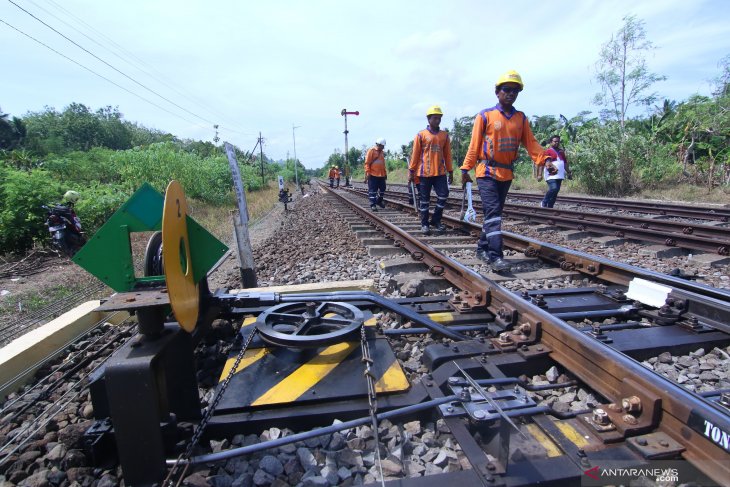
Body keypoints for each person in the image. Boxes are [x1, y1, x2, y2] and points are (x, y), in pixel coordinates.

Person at [461, 70, 547, 272]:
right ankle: (495, 256)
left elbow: (531, 144)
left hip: (506, 173)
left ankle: (482, 248)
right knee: (493, 213)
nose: (511, 93)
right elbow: (474, 146)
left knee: (495, 213)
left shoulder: (521, 118)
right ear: (497, 92)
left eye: (515, 90)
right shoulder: (485, 115)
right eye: (507, 89)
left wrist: (546, 159)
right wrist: (466, 168)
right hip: (486, 171)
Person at [408, 105, 453, 235]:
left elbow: (447, 155)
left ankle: (436, 220)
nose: (437, 120)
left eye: (439, 118)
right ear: (429, 119)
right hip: (424, 173)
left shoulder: (444, 135)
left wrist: (450, 171)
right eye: (434, 118)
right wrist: (411, 171)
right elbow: (415, 154)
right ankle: (424, 224)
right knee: (424, 200)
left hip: (440, 172)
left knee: (443, 195)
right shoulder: (421, 135)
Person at [539, 135, 571, 208]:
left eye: (558, 141)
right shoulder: (547, 151)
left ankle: (550, 206)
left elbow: (565, 163)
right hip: (550, 174)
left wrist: (569, 172)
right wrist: (540, 174)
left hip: (560, 175)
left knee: (556, 191)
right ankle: (544, 202)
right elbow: (541, 163)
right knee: (554, 188)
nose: (557, 143)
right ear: (551, 142)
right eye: (555, 141)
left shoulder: (561, 152)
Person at [364, 138, 387, 211]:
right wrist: (368, 172)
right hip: (373, 174)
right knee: (373, 191)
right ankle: (373, 205)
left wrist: (385, 173)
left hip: (381, 174)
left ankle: (379, 201)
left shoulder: (382, 152)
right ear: (378, 144)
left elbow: (383, 164)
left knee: (383, 189)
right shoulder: (371, 151)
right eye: (382, 146)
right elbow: (367, 163)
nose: (383, 147)